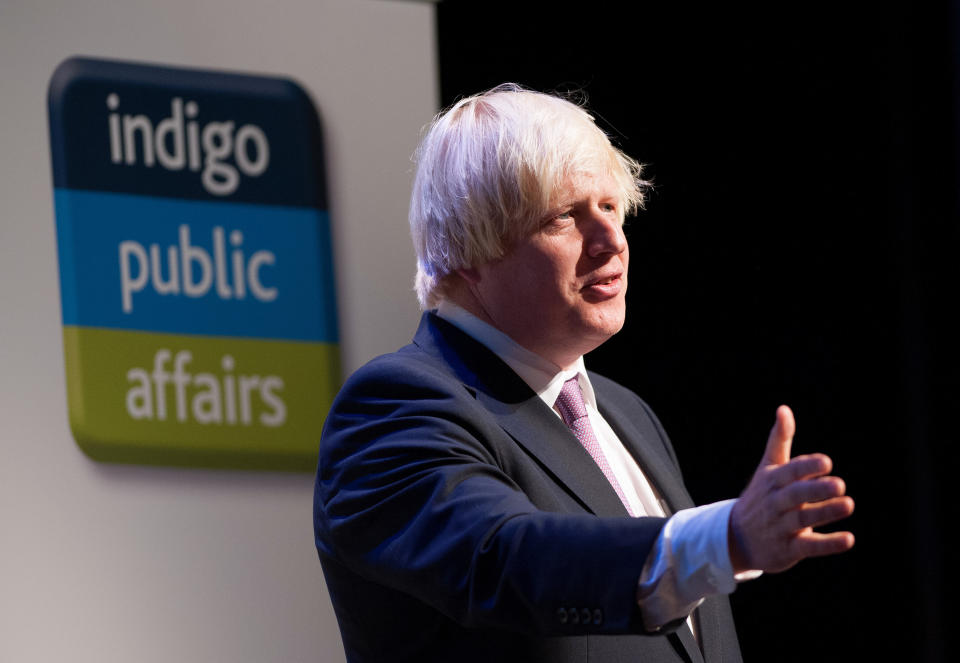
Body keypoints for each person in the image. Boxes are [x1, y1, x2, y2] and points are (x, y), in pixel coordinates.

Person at [313, 84, 855, 663]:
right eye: (563, 218)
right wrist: (725, 540)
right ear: (467, 250)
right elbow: (509, 560)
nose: (610, 241)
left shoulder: (624, 414)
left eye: (611, 207)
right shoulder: (395, 408)